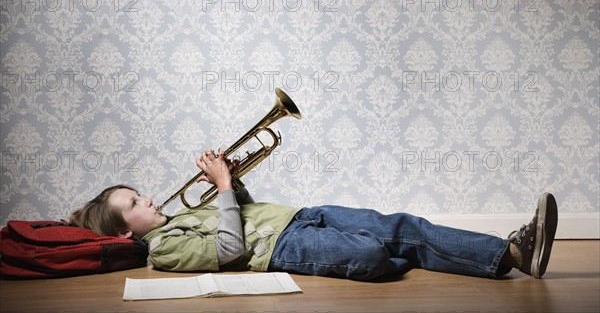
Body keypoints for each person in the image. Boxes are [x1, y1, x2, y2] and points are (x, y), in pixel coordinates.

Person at [70, 149, 558, 281]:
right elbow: (231, 247)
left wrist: (232, 184)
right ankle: (416, 258)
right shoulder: (164, 249)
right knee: (372, 253)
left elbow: (243, 212)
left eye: (137, 193)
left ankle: (512, 252)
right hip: (285, 248)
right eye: (132, 204)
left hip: (302, 215)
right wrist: (221, 189)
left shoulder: (181, 214)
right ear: (120, 230)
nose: (146, 199)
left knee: (403, 225)